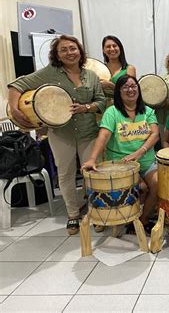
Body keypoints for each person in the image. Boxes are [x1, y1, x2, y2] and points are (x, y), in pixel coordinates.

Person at [7, 35, 106, 235]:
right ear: (57, 55)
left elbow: (101, 101)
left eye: (73, 48)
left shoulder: (91, 76)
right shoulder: (50, 73)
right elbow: (17, 84)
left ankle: (96, 211)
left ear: (80, 51)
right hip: (61, 134)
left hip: (88, 132)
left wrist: (86, 107)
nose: (70, 53)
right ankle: (72, 215)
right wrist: (15, 109)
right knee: (66, 174)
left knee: (93, 174)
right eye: (64, 50)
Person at [81, 75, 160, 232]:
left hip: (146, 161)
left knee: (158, 184)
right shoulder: (112, 112)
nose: (130, 90)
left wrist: (139, 152)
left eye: (133, 86)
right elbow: (103, 135)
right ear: (119, 91)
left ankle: (142, 220)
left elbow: (155, 134)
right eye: (125, 87)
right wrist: (92, 159)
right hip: (122, 165)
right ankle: (129, 217)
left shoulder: (148, 111)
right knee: (142, 188)